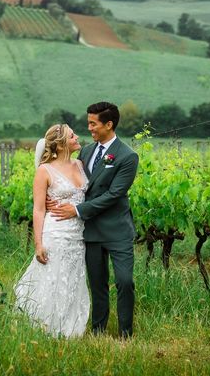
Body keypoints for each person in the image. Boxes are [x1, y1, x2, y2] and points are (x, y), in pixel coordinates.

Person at [51, 102, 139, 338]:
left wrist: (78, 210)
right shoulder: (87, 152)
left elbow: (113, 195)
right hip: (90, 231)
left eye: (93, 123)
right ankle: (98, 331)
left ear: (109, 124)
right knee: (97, 284)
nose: (89, 128)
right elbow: (74, 183)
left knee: (124, 281)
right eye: (88, 122)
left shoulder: (128, 156)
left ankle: (125, 334)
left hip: (117, 229)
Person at [14, 123, 90, 338]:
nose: (77, 137)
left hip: (78, 234)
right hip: (55, 233)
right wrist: (38, 243)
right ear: (61, 143)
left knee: (73, 277)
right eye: (72, 135)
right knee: (54, 278)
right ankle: (47, 325)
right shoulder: (44, 171)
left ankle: (72, 325)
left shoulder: (80, 164)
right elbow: (38, 210)